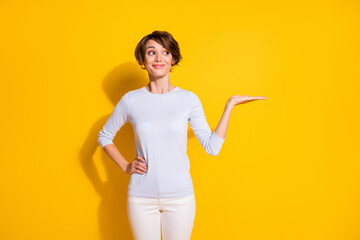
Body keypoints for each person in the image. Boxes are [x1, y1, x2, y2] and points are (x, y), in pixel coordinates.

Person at [97, 30, 267, 240]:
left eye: (165, 52)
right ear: (142, 59)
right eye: (151, 52)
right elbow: (105, 136)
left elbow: (212, 147)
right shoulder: (131, 100)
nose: (159, 58)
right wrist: (125, 166)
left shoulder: (188, 100)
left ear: (173, 59)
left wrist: (229, 106)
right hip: (141, 198)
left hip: (180, 198)